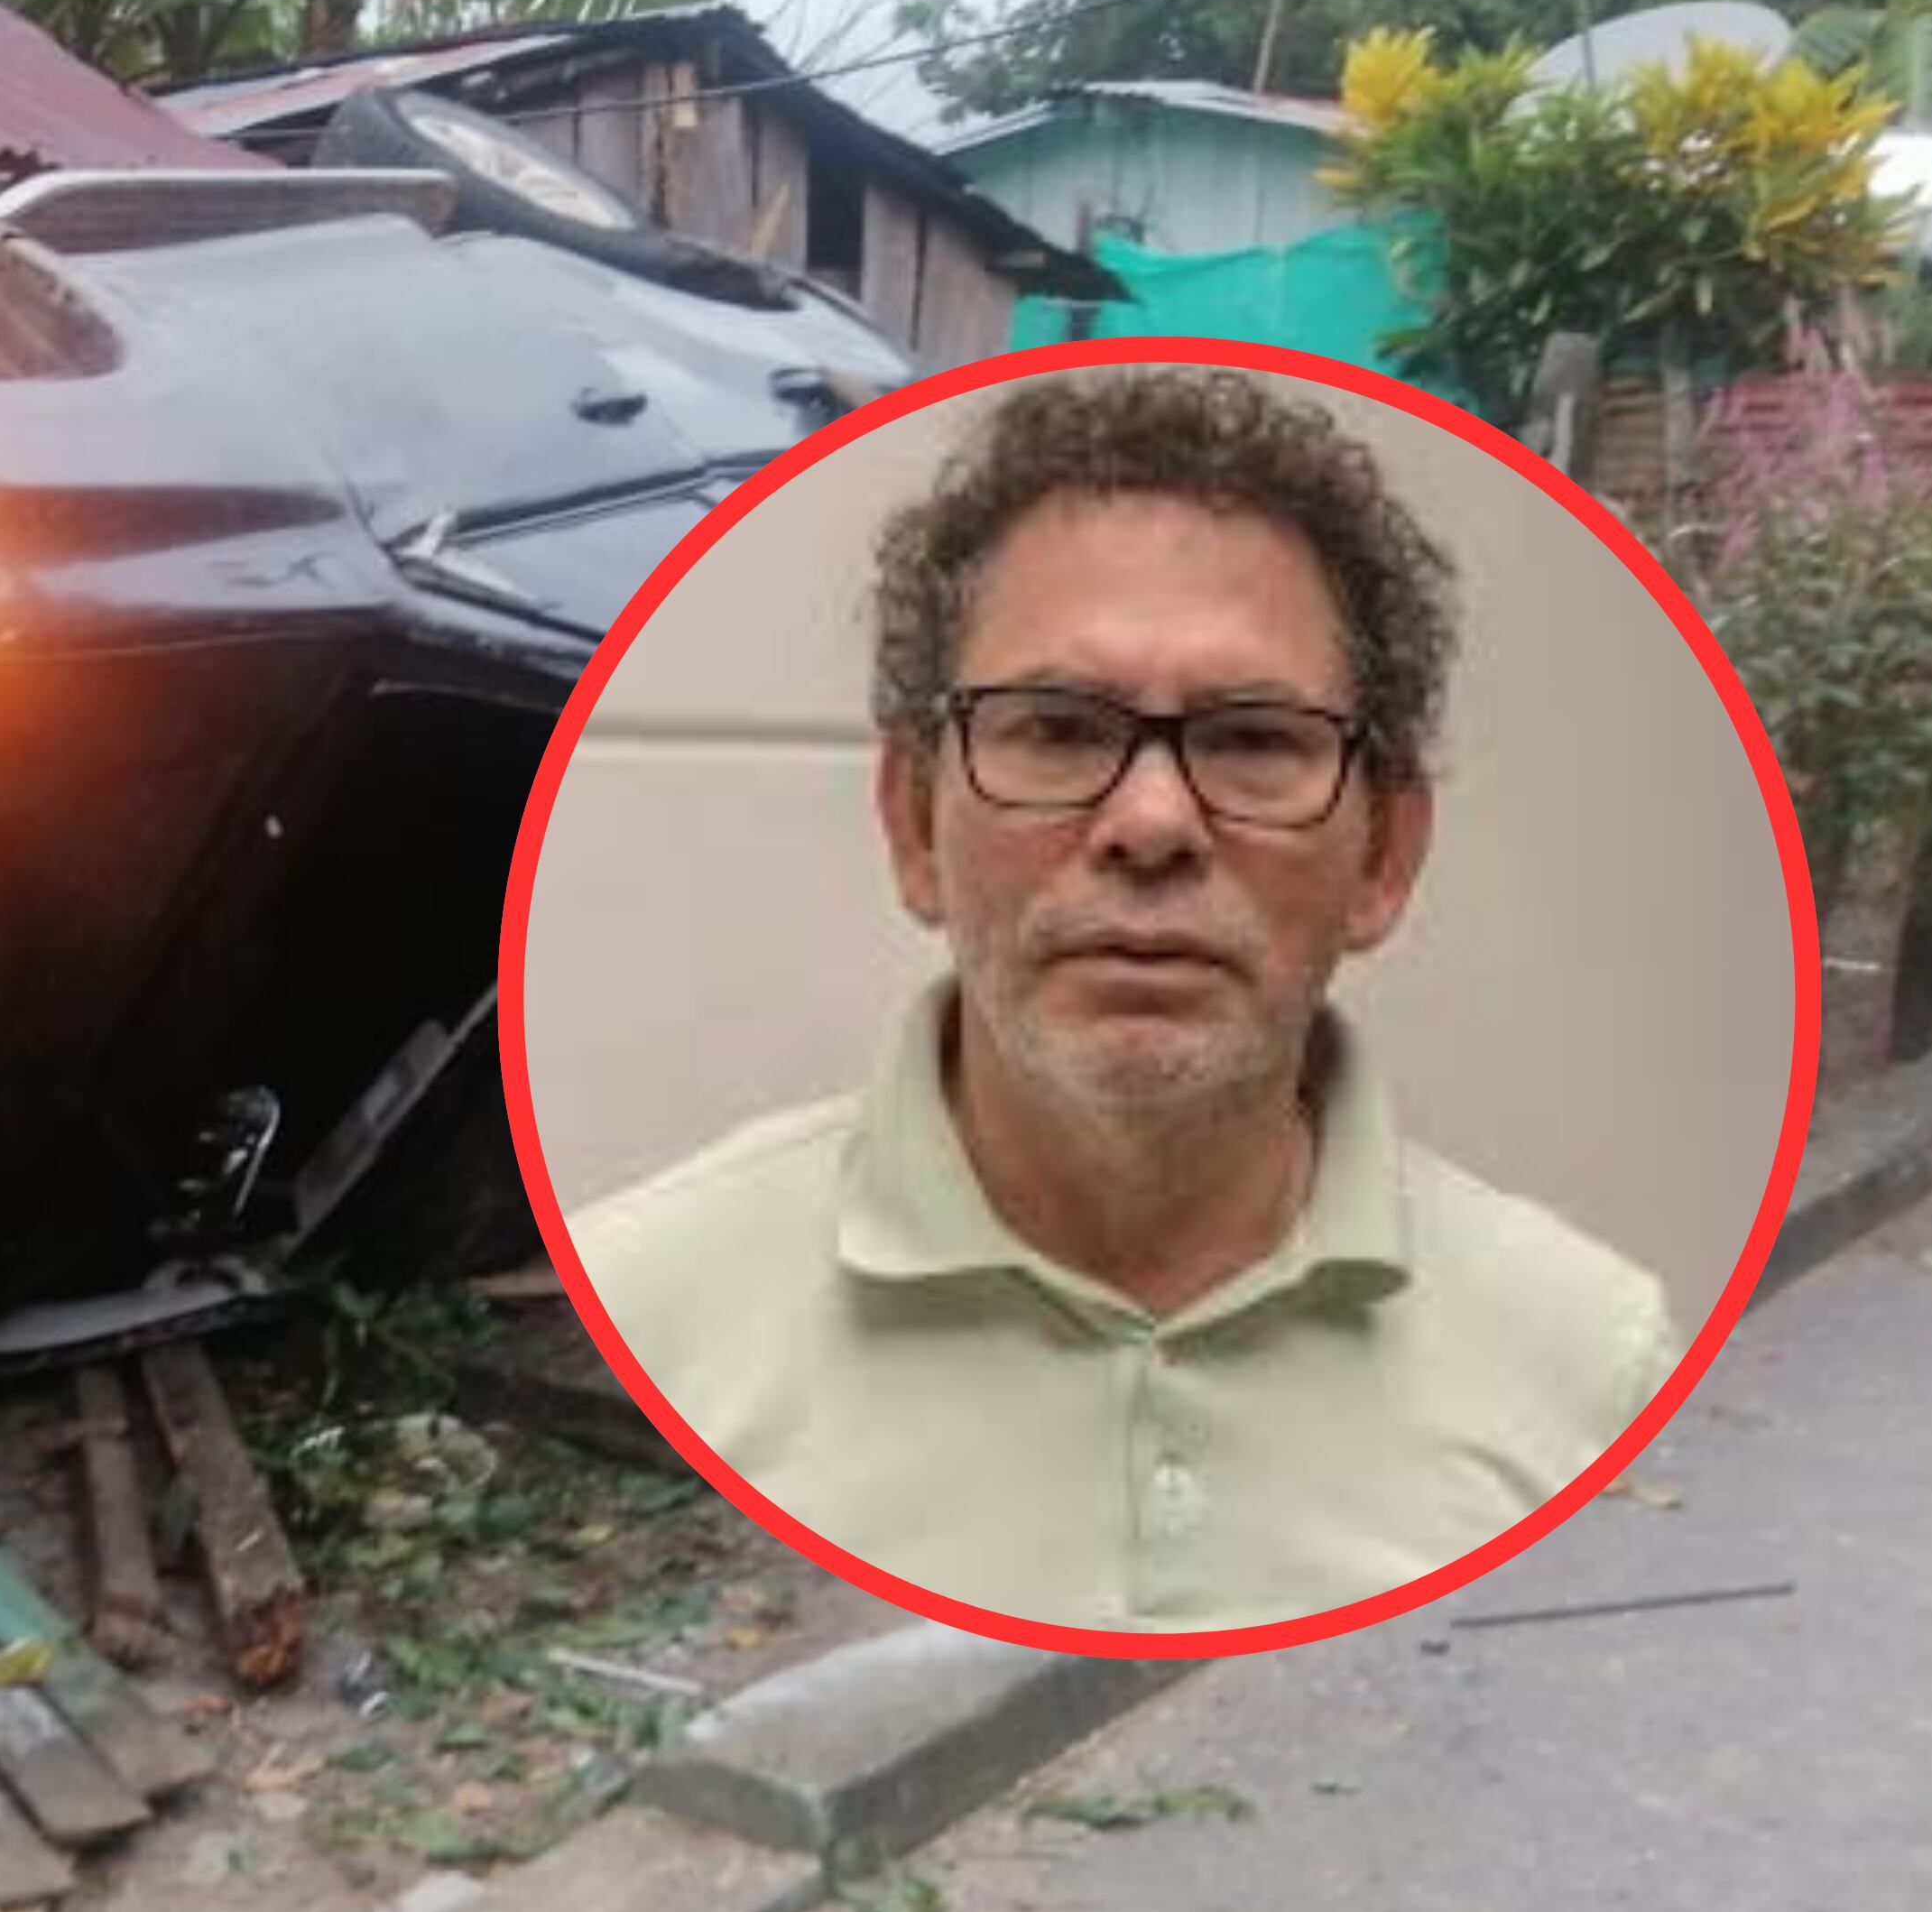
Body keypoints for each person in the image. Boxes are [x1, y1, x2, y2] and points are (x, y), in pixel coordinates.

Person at [569, 366, 1678, 1631]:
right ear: (914, 825)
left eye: (1255, 738)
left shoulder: (1591, 1368)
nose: (1151, 823)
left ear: (1383, 858)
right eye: (1056, 728)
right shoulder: (648, 1314)